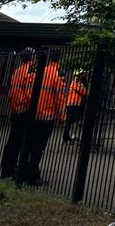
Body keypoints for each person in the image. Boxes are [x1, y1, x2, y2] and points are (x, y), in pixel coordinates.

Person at [23, 57, 66, 185]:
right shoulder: (56, 74)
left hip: (33, 115)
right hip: (47, 117)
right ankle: (33, 175)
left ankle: (23, 171)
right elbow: (59, 97)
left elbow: (29, 90)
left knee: (29, 145)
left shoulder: (40, 71)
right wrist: (62, 117)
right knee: (39, 148)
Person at [0, 49, 36, 180]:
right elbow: (30, 92)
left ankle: (7, 168)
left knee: (12, 140)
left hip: (15, 109)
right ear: (31, 58)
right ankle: (14, 170)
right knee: (20, 141)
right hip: (24, 110)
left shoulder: (17, 71)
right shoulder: (30, 71)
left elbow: (12, 90)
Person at [62, 71, 88, 144]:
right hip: (72, 105)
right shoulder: (75, 82)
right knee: (69, 122)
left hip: (76, 104)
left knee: (75, 121)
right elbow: (83, 91)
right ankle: (66, 138)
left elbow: (83, 91)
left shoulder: (79, 83)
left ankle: (72, 136)